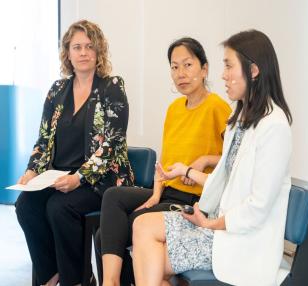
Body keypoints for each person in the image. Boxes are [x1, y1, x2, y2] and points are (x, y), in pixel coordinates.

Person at [131, 29, 293, 286]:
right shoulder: (240, 121)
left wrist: (211, 223)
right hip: (217, 227)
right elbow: (223, 181)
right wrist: (185, 171)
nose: (223, 75)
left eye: (229, 66)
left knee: (148, 263)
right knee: (142, 226)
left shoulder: (274, 126)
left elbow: (258, 207)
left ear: (253, 71)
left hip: (239, 238)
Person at [96, 37, 232, 286]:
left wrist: (205, 160)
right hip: (169, 193)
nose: (181, 73)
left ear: (204, 69)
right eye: (174, 66)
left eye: (188, 65)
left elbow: (234, 161)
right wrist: (156, 194)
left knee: (107, 235)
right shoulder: (174, 109)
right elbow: (165, 164)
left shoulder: (218, 108)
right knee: (113, 198)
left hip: (195, 201)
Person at [15, 20, 134, 286]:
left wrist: (78, 178)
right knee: (25, 205)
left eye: (89, 47)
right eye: (76, 47)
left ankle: (77, 279)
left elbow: (113, 142)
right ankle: (50, 273)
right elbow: (44, 139)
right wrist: (32, 170)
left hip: (99, 181)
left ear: (98, 51)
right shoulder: (57, 90)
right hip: (58, 176)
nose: (83, 52)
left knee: (59, 207)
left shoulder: (112, 86)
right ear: (67, 53)